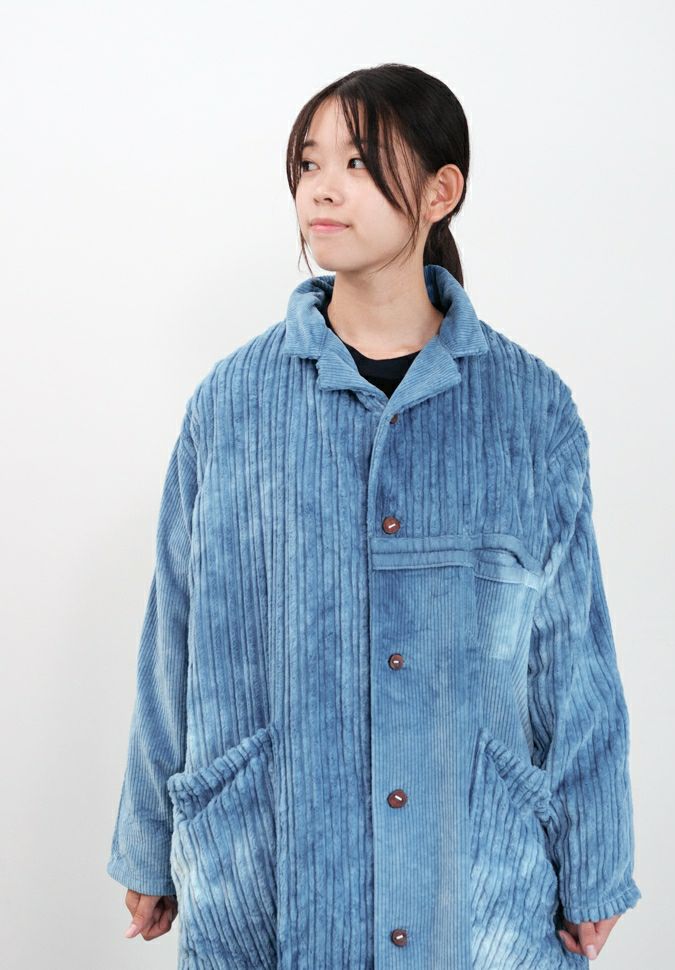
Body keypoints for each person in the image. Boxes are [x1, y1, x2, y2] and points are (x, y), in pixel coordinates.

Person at [106, 63, 642, 969]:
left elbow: (573, 654)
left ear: (441, 191)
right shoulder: (233, 403)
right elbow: (174, 632)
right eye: (309, 162)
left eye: (358, 162)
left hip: (476, 882)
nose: (322, 187)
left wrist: (595, 860)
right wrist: (147, 838)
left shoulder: (528, 408)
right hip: (268, 866)